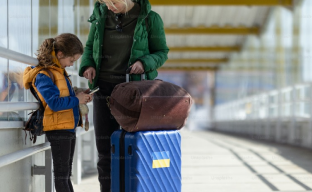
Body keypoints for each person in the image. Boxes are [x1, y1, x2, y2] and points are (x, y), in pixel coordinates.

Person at [78, 0, 169, 191]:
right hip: (104, 90)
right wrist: (88, 65)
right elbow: (88, 48)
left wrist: (145, 62)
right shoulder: (100, 18)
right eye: (105, 1)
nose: (109, 6)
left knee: (138, 146)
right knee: (105, 150)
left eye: (113, 1)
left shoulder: (150, 20)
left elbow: (161, 52)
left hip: (135, 92)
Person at [23, 33, 92, 192]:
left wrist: (80, 94)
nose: (71, 64)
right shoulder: (43, 74)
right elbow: (54, 103)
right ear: (60, 54)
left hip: (67, 127)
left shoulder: (59, 71)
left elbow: (63, 95)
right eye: (71, 60)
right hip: (58, 129)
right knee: (62, 176)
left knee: (66, 175)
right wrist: (77, 100)